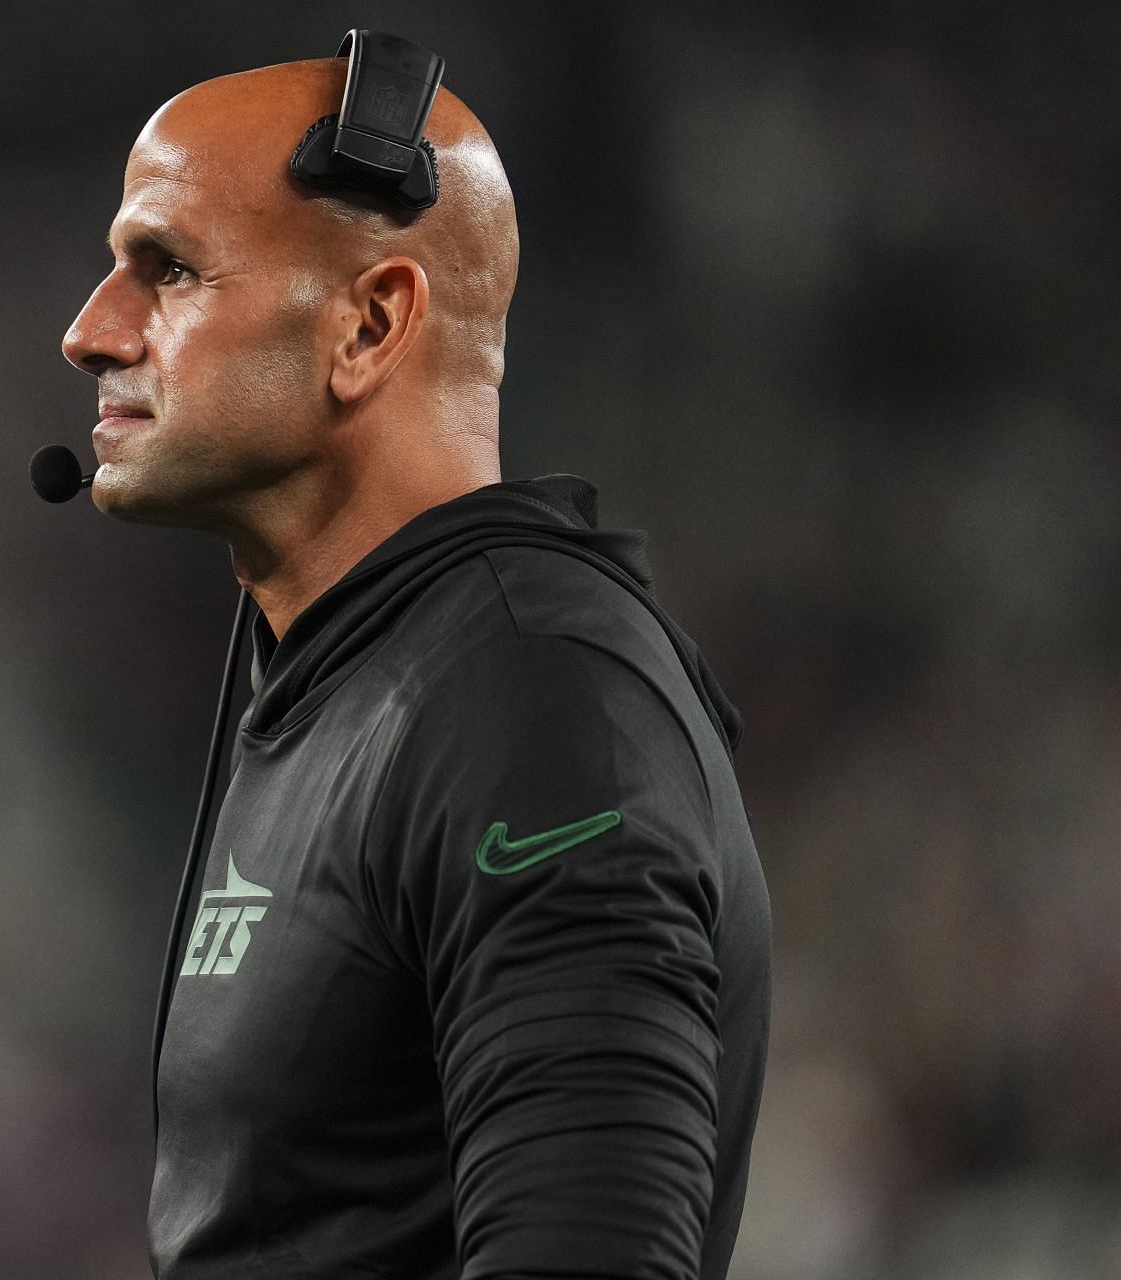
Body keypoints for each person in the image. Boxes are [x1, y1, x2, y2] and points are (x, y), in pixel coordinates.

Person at [59, 44, 772, 1280]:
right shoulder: (353, 670)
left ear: (371, 322)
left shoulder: (531, 702)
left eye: (166, 270)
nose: (89, 330)